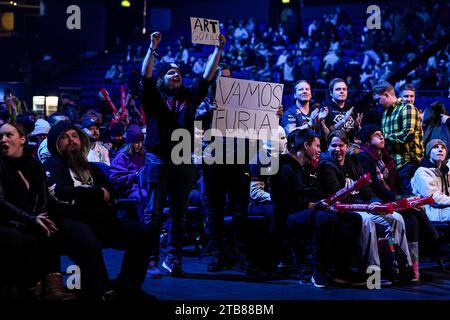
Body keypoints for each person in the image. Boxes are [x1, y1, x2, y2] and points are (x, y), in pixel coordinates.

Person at [140, 31, 226, 276]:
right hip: (158, 158)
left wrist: (218, 50)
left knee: (180, 212)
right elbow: (146, 75)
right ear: (162, 78)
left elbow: (207, 76)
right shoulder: (153, 97)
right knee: (153, 213)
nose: (175, 74)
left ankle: (173, 258)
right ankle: (151, 259)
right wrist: (152, 48)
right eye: (170, 72)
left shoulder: (189, 95)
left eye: (178, 72)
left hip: (184, 158)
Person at [42, 122, 155, 301]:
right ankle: (103, 290)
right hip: (69, 223)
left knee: (145, 233)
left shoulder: (92, 167)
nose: (71, 140)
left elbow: (112, 192)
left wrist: (92, 197)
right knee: (86, 237)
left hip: (100, 220)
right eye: (64, 137)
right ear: (56, 143)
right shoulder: (52, 165)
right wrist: (95, 193)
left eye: (74, 136)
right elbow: (59, 193)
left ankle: (127, 286)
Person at [270, 129, 363, 288]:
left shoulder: (307, 168)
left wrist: (324, 203)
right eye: (317, 146)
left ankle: (342, 270)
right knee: (324, 218)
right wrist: (310, 205)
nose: (320, 150)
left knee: (353, 218)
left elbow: (313, 193)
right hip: (288, 216)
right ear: (306, 146)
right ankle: (318, 270)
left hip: (308, 210)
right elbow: (282, 204)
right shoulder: (283, 167)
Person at [318, 130, 412, 283]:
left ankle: (402, 268)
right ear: (328, 147)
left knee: (397, 218)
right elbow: (337, 196)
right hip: (344, 209)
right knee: (366, 221)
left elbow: (367, 189)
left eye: (340, 145)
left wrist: (374, 201)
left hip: (363, 206)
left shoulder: (353, 162)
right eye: (333, 146)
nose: (337, 149)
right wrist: (367, 206)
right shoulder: (326, 165)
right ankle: (372, 273)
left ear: (346, 146)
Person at [0, 122, 76, 301]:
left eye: (8, 135)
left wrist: (40, 216)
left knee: (50, 230)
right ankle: (31, 288)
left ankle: (53, 289)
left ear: (22, 139)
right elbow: (1, 201)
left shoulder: (32, 162)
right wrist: (31, 219)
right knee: (24, 238)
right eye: (0, 136)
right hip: (8, 221)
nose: (3, 140)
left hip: (29, 219)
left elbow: (43, 193)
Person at [357, 124, 441, 281]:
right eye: (377, 135)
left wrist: (409, 196)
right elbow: (377, 188)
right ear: (367, 141)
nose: (382, 137)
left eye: (382, 134)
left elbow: (398, 181)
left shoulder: (385, 155)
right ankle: (433, 242)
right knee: (412, 215)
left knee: (413, 218)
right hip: (379, 201)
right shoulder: (363, 157)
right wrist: (401, 199)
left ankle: (411, 268)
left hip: (392, 198)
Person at [374, 80, 424, 196]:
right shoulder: (385, 114)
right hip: (393, 165)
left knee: (413, 201)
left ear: (386, 95)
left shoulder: (407, 108)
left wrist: (384, 137)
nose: (377, 103)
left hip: (408, 163)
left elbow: (408, 135)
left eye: (378, 100)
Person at [322, 78, 363, 144]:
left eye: (344, 89)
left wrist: (358, 127)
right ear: (331, 93)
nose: (342, 91)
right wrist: (344, 119)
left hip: (351, 147)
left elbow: (357, 134)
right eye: (338, 89)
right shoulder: (325, 109)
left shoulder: (351, 109)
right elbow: (327, 136)